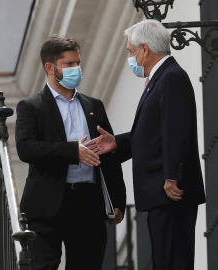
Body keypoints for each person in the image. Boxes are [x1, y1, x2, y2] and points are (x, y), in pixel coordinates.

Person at [86, 20, 206, 270]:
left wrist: (172, 176)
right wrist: (116, 142)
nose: (130, 57)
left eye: (131, 52)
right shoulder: (161, 78)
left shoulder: (171, 77)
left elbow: (176, 130)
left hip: (171, 193)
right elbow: (154, 133)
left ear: (145, 49)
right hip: (161, 194)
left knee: (173, 262)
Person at [15, 34, 126, 270]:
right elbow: (26, 148)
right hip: (46, 204)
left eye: (78, 63)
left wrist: (117, 200)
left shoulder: (93, 105)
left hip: (88, 203)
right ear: (50, 67)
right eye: (69, 64)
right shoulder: (31, 106)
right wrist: (72, 152)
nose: (76, 68)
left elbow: (109, 154)